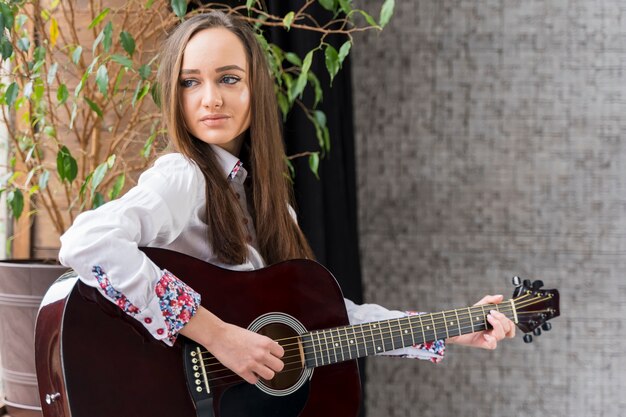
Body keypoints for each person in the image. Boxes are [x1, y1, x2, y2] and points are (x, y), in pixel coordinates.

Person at [59, 11, 515, 388]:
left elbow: (328, 319)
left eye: (229, 78)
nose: (210, 98)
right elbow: (87, 242)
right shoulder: (185, 176)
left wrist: (449, 328)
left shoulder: (266, 203)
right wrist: (218, 336)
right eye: (190, 82)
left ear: (255, 87)